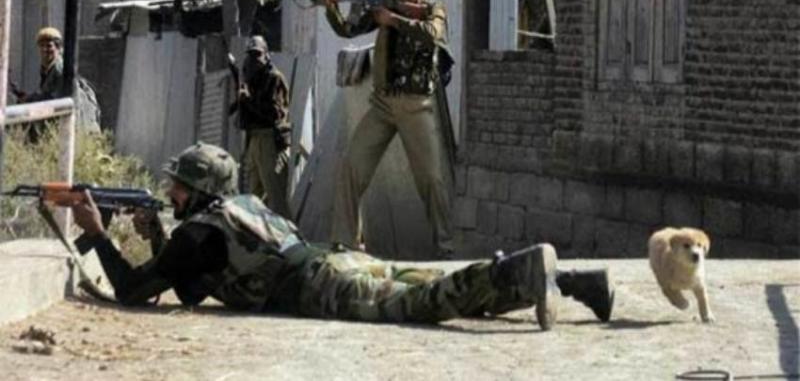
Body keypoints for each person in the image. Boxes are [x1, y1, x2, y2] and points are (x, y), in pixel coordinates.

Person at [67, 143, 615, 329]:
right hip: (337, 261)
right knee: (436, 285)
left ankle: (526, 269)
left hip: (324, 285)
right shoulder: (240, 207)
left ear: (200, 191)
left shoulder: (198, 233)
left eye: (180, 187)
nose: (172, 193)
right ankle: (571, 281)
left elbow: (134, 291)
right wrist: (159, 234)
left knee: (428, 301)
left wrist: (95, 234)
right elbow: (191, 283)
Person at [313, 0, 455, 257]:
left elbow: (434, 34)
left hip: (415, 105)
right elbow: (348, 30)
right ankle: (344, 242)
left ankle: (445, 248)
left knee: (431, 179)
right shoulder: (383, 6)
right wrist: (328, 4)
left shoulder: (434, 9)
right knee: (352, 167)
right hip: (382, 104)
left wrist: (394, 20)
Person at [229, 35, 291, 219]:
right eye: (251, 55)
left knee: (276, 200)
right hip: (254, 139)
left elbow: (274, 115)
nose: (254, 59)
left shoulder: (274, 78)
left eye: (257, 54)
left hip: (269, 140)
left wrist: (248, 99)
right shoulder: (253, 79)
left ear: (266, 55)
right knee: (252, 201)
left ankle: (286, 236)